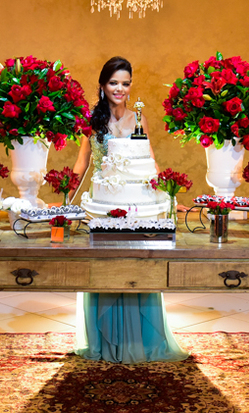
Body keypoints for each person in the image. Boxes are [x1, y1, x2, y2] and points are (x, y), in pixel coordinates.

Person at [70, 56, 189, 364]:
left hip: (137, 207)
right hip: (104, 208)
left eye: (125, 83)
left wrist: (170, 196)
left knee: (137, 268)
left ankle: (141, 341)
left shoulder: (139, 119)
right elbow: (82, 164)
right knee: (105, 271)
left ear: (130, 86)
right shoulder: (92, 121)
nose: (119, 89)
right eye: (113, 83)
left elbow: (150, 161)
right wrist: (66, 201)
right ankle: (104, 341)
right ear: (102, 85)